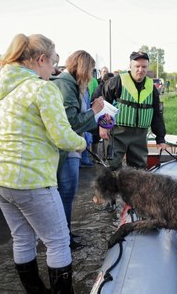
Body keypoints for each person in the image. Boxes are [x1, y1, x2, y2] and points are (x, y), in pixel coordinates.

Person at [0, 33, 86, 293]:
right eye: (53, 61)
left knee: (22, 238)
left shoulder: (0, 90)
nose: (54, 69)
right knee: (58, 241)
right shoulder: (43, 88)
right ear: (40, 59)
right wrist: (82, 143)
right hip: (30, 178)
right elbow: (63, 137)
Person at [50, 50, 105, 250]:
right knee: (65, 192)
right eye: (90, 70)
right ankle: (63, 238)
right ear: (82, 68)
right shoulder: (66, 85)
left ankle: (65, 233)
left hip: (71, 147)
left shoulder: (74, 85)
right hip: (65, 148)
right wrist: (94, 111)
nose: (91, 75)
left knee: (66, 193)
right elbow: (71, 122)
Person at [98, 51, 167, 170]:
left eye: (144, 67)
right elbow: (101, 103)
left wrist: (160, 138)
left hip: (140, 135)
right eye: (137, 66)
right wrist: (102, 125)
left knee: (139, 168)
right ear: (130, 66)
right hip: (117, 132)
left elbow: (157, 113)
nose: (141, 70)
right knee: (112, 166)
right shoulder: (117, 81)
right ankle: (112, 189)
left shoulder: (151, 87)